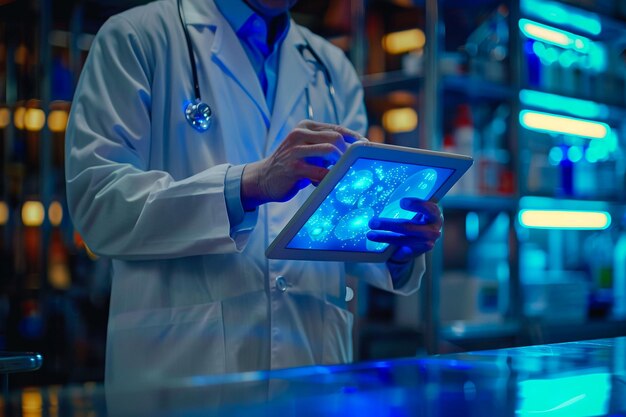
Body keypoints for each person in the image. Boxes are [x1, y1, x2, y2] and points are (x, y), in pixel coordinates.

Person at [65, 0, 443, 385]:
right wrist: (249, 184)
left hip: (311, 369)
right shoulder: (136, 37)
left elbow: (339, 228)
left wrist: (395, 245)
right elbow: (98, 203)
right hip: (181, 375)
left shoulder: (332, 68)